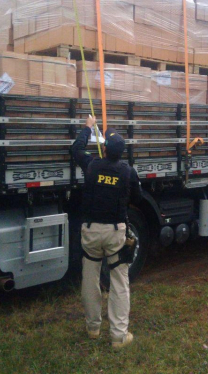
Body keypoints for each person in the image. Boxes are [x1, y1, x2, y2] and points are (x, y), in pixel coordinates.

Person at [71, 115, 142, 349]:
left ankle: (93, 328)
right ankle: (119, 336)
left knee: (90, 278)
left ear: (104, 148)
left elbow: (76, 149)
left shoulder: (91, 165)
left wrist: (88, 128)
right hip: (115, 232)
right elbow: (138, 197)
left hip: (91, 231)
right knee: (119, 281)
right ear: (121, 152)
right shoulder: (127, 171)